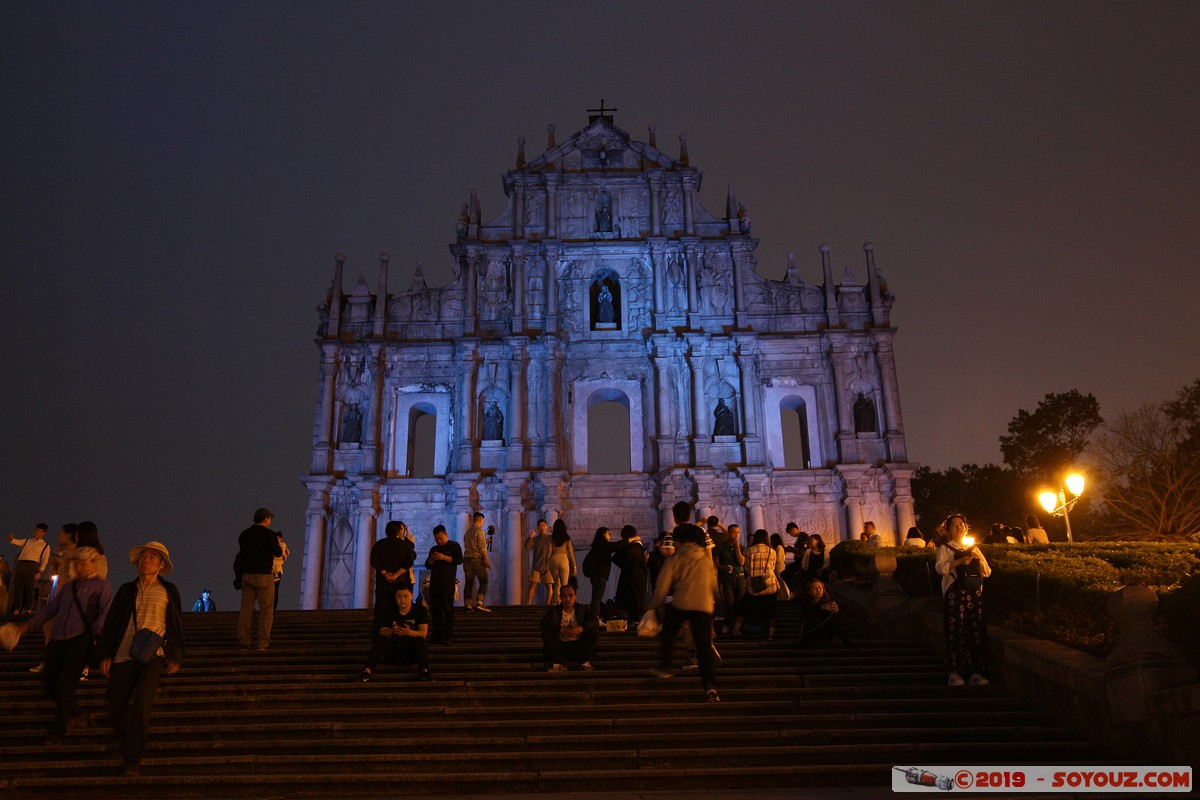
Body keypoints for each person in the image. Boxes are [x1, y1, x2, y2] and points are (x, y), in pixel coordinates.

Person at [98, 540, 185, 776]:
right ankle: (127, 739)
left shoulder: (168, 591)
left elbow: (175, 624)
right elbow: (112, 623)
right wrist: (105, 654)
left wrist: (175, 655)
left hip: (153, 656)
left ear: (161, 564)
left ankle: (132, 758)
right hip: (124, 653)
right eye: (143, 556)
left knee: (142, 705)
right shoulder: (127, 590)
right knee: (115, 703)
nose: (145, 561)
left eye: (152, 557)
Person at [13, 547, 111, 743]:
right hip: (58, 639)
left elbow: (105, 613)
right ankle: (76, 712)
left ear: (94, 563)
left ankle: (57, 731)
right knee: (49, 682)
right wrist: (28, 626)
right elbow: (51, 608)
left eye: (84, 563)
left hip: (80, 639)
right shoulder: (68, 587)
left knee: (66, 685)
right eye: (77, 563)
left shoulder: (101, 587)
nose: (79, 567)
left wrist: (95, 634)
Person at [650, 501, 720, 703]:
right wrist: (711, 599)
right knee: (703, 647)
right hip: (703, 605)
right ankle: (710, 687)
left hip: (682, 602)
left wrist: (653, 606)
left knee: (669, 629)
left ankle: (665, 664)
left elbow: (662, 585)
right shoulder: (704, 557)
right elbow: (713, 582)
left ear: (679, 540)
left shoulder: (676, 557)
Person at [934, 514, 992, 687]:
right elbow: (940, 568)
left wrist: (978, 560)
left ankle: (976, 672)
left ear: (966, 528)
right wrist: (959, 561)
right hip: (955, 593)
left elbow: (987, 572)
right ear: (948, 530)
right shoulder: (945, 548)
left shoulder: (974, 548)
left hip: (974, 593)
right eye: (954, 525)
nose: (959, 527)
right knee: (955, 630)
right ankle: (954, 672)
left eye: (961, 524)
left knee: (975, 630)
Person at [360, 585, 430, 682]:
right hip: (394, 650)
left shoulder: (420, 610)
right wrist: (393, 631)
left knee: (419, 640)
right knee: (381, 640)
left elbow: (423, 633)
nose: (402, 600)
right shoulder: (389, 611)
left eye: (405, 596)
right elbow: (382, 632)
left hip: (411, 650)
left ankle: (425, 672)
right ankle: (367, 672)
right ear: (395, 597)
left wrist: (409, 632)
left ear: (412, 595)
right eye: (399, 596)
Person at [237, 508, 282, 651]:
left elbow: (242, 554)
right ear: (266, 519)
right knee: (266, 610)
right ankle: (263, 642)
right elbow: (278, 552)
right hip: (264, 575)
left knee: (246, 610)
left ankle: (244, 641)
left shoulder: (244, 534)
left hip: (247, 575)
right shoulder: (269, 534)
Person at [540, 583, 598, 672]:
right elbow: (544, 623)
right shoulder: (554, 610)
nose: (567, 599)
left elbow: (594, 621)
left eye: (570, 595)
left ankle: (584, 663)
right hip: (560, 647)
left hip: (579, 647)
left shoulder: (582, 609)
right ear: (560, 597)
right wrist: (560, 629)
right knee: (546, 632)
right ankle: (558, 663)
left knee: (593, 631)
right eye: (564, 596)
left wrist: (580, 628)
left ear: (575, 596)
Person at [370, 520, 416, 627]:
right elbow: (409, 562)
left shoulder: (379, 544)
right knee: (399, 611)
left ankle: (380, 632)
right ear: (400, 531)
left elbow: (374, 561)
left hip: (383, 583)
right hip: (400, 584)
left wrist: (385, 573)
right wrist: (396, 575)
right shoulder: (405, 545)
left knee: (381, 611)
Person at [734, 529, 778, 639]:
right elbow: (773, 567)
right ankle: (771, 635)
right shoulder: (772, 551)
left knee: (743, 609)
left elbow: (747, 567)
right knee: (771, 612)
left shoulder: (750, 551)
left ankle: (736, 630)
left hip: (753, 586)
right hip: (770, 585)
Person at [424, 525, 462, 644]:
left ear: (446, 535)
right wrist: (431, 559)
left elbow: (459, 560)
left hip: (448, 583)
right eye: (436, 539)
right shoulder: (434, 548)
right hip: (435, 583)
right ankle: (436, 634)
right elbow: (427, 565)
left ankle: (447, 635)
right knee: (435, 610)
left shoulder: (454, 546)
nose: (439, 541)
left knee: (448, 609)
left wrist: (444, 557)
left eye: (440, 538)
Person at [7, 523, 50, 615]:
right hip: (21, 564)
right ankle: (16, 609)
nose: (36, 532)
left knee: (29, 588)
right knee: (18, 587)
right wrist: (12, 539)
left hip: (32, 565)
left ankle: (28, 609)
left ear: (43, 533)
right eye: (35, 530)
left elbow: (45, 560)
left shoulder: (45, 546)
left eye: (38, 531)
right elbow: (18, 542)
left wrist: (40, 572)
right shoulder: (28, 540)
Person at [797, 578, 854, 648]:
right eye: (815, 588)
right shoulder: (805, 602)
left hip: (826, 634)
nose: (818, 590)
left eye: (820, 587)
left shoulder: (828, 601)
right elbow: (807, 613)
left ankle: (848, 643)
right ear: (809, 591)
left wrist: (836, 611)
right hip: (810, 633)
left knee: (833, 622)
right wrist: (821, 607)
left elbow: (834, 623)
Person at [611, 524, 648, 623]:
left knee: (634, 603)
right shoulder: (635, 547)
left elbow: (619, 558)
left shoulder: (636, 547)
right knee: (632, 604)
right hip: (633, 580)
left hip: (634, 580)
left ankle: (635, 619)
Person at [713, 522, 745, 630]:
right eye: (734, 532)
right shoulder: (720, 547)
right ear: (729, 533)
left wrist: (737, 549)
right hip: (727, 578)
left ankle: (738, 625)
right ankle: (727, 623)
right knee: (729, 602)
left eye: (738, 532)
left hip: (740, 577)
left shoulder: (742, 547)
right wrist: (724, 567)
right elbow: (716, 564)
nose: (737, 535)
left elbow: (741, 562)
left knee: (740, 602)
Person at [462, 511, 492, 612]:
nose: (483, 523)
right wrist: (486, 560)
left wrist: (486, 541)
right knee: (484, 581)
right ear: (480, 520)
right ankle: (479, 602)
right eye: (483, 521)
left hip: (467, 560)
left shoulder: (468, 532)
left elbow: (470, 544)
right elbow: (482, 548)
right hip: (477, 560)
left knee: (469, 583)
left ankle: (468, 605)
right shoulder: (480, 531)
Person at [581, 527, 614, 619]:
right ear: (603, 535)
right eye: (608, 534)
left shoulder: (597, 547)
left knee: (596, 596)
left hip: (596, 575)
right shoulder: (603, 545)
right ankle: (595, 616)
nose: (610, 536)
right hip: (599, 575)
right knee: (597, 597)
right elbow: (614, 546)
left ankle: (595, 615)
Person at [547, 520, 577, 603]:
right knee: (564, 584)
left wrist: (546, 564)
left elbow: (549, 552)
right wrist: (574, 566)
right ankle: (564, 602)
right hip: (564, 559)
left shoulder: (551, 538)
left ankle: (556, 601)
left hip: (554, 559)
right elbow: (570, 553)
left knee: (556, 583)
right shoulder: (567, 538)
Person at [524, 520, 553, 605]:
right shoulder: (535, 539)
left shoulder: (551, 538)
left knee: (549, 585)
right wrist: (531, 536)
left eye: (543, 525)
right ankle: (529, 603)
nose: (542, 527)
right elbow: (527, 547)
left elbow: (558, 544)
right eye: (540, 526)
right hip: (537, 564)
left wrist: (554, 534)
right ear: (538, 528)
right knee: (533, 584)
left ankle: (548, 605)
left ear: (546, 526)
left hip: (548, 565)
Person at [272, 530, 289, 610]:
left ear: (280, 538)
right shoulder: (275, 545)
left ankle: (273, 608)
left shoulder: (282, 545)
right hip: (271, 568)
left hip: (276, 569)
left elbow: (281, 556)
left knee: (274, 590)